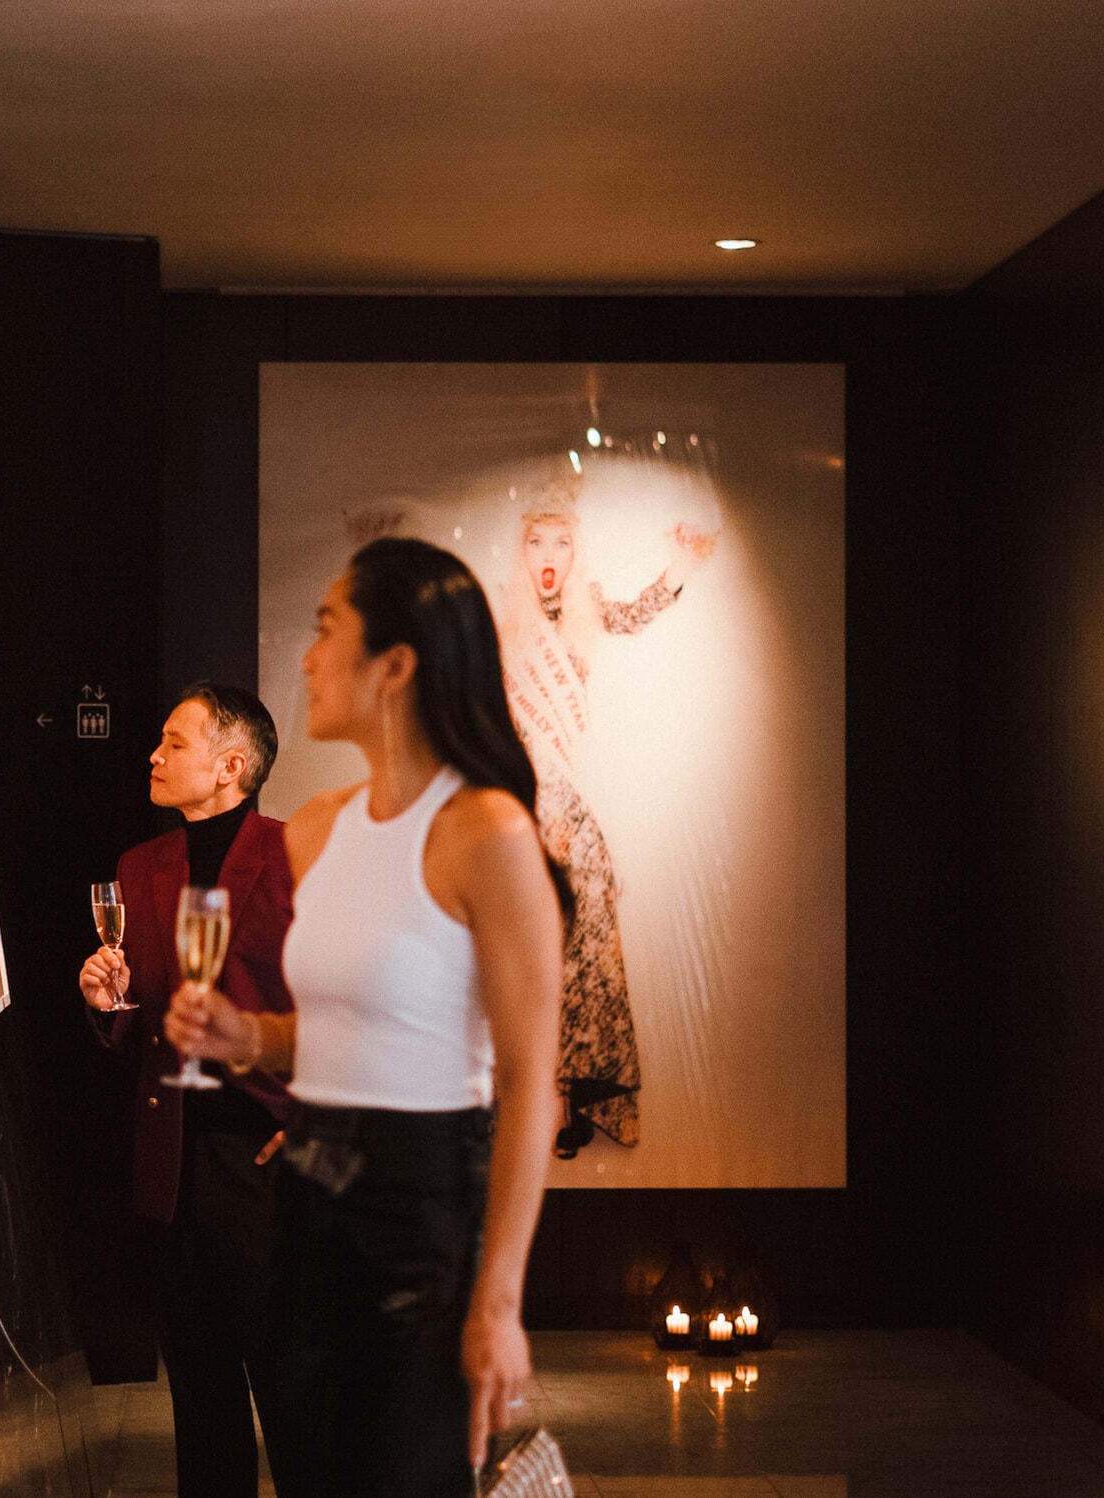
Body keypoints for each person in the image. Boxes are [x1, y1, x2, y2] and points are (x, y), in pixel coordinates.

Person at [166, 539, 566, 1498]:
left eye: (325, 630)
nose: (306, 658)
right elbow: (354, 1031)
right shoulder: (316, 827)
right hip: (307, 1193)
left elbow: (529, 1086)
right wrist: (249, 1037)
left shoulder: (489, 834)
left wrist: (498, 1302)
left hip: (423, 1204)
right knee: (311, 1473)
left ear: (395, 666)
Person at [80, 682, 296, 1498]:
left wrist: (314, 1121)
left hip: (266, 1158)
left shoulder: (293, 852)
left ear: (230, 765)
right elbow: (144, 1013)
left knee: (293, 1391)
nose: (154, 754)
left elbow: (348, 1001)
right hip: (172, 1163)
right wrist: (109, 1002)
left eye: (176, 743)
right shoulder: (141, 866)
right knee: (201, 1395)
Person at [498, 479, 714, 1154]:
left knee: (591, 964)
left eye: (562, 540)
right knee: (523, 959)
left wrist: (678, 568)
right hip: (517, 813)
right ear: (522, 550)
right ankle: (525, 1100)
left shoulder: (586, 609)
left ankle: (584, 1104)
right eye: (537, 541)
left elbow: (631, 614)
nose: (548, 554)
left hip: (574, 809)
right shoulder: (501, 620)